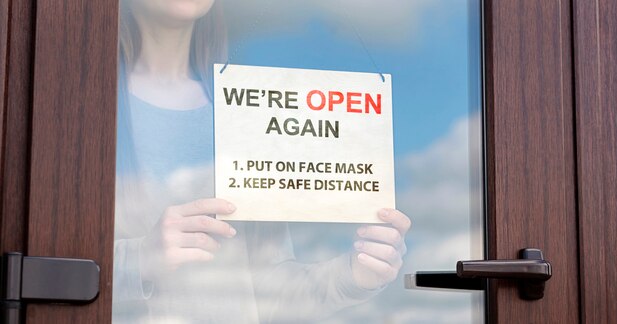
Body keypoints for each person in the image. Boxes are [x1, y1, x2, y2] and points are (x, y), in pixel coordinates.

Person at [112, 0, 411, 323]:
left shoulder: (245, 112)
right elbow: (53, 268)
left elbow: (267, 291)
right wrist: (139, 260)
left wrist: (353, 275)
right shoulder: (76, 102)